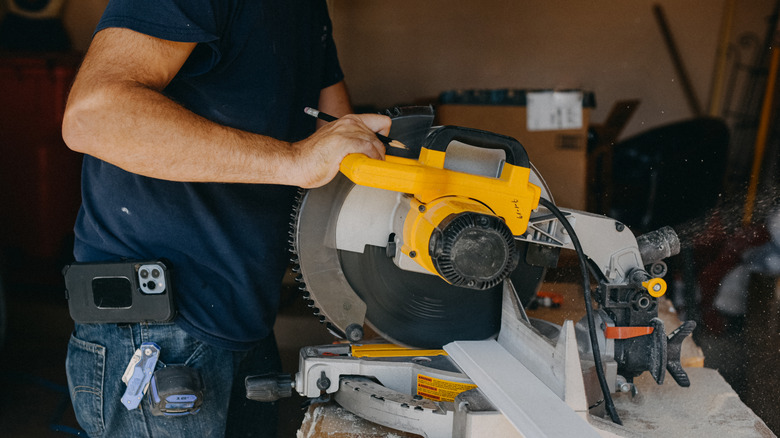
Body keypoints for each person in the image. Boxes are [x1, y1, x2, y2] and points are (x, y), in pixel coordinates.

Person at [61, 0, 390, 437]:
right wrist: (293, 161)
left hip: (245, 317)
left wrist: (360, 302)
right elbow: (94, 115)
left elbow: (337, 142)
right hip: (157, 331)